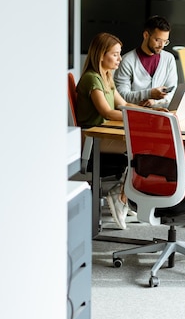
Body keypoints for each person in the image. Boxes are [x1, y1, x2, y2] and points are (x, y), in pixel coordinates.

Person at [76, 32, 144, 230]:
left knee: (141, 145)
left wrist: (151, 112)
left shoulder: (106, 77)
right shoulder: (91, 79)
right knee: (141, 145)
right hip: (91, 138)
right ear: (101, 56)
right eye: (115, 54)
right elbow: (106, 111)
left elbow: (123, 105)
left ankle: (124, 194)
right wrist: (141, 117)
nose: (120, 59)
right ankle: (121, 195)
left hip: (101, 135)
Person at [114, 15, 178, 108]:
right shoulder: (127, 61)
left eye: (165, 41)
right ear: (146, 35)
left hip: (161, 113)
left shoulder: (169, 59)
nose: (162, 45)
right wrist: (149, 93)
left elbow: (173, 92)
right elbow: (122, 96)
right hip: (135, 115)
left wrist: (155, 102)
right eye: (158, 40)